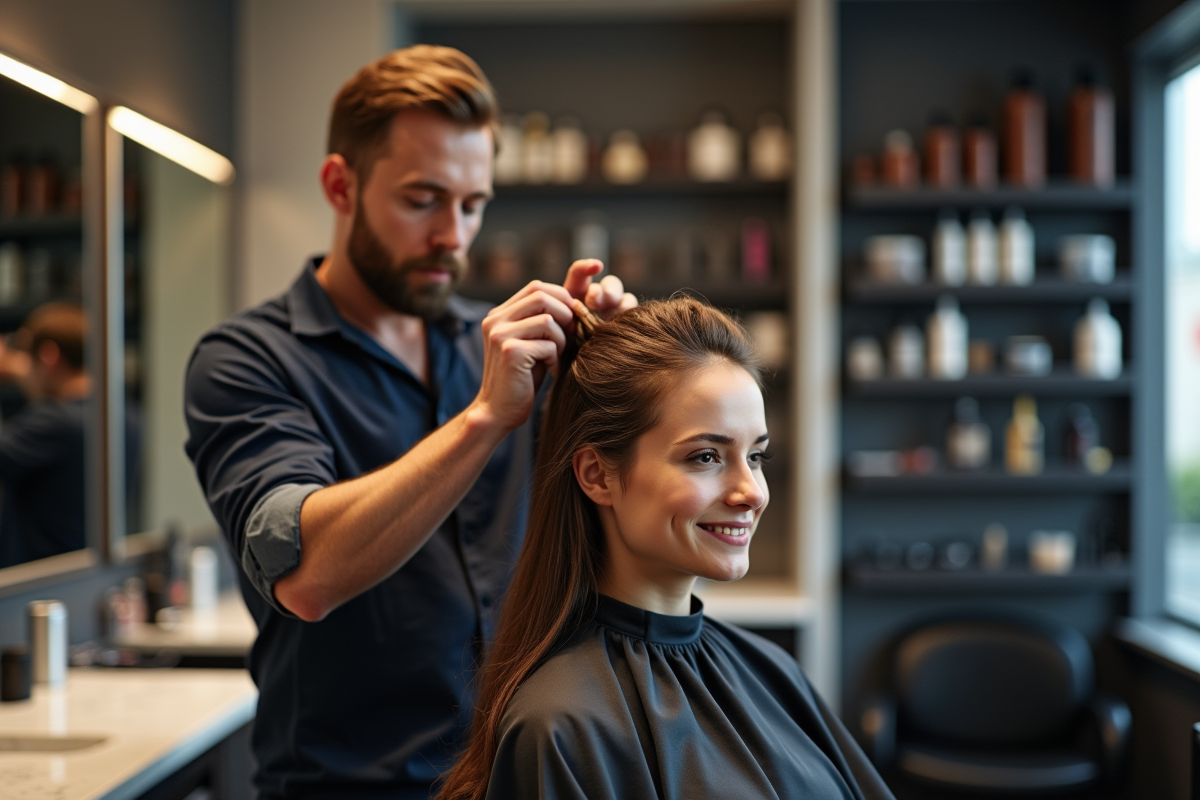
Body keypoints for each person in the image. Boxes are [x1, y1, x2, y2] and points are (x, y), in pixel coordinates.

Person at [184, 45, 633, 799]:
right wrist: (486, 418)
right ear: (341, 185)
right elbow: (303, 573)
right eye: (423, 200)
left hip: (521, 776)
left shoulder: (505, 348)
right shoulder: (247, 361)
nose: (453, 237)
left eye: (472, 204)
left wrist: (613, 371)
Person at [439, 297, 894, 800]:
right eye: (706, 456)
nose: (752, 492)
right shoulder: (560, 725)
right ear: (598, 475)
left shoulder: (773, 670)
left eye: (757, 456)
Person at [0, 303, 93, 567]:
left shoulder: (54, 422)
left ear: (49, 356)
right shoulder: (123, 418)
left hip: (33, 588)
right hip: (76, 578)